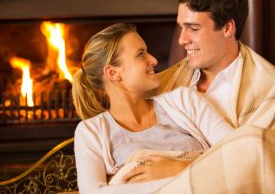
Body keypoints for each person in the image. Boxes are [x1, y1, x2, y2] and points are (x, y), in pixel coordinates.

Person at [72, 23, 233, 194]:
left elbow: (240, 150)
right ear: (112, 73)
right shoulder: (91, 132)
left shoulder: (184, 101)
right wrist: (191, 177)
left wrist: (181, 168)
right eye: (140, 54)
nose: (153, 60)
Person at [152, 0, 275, 129]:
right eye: (181, 28)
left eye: (193, 28)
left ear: (227, 28)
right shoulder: (160, 84)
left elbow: (254, 149)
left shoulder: (269, 91)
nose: (182, 40)